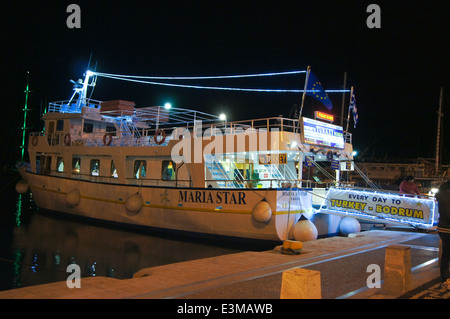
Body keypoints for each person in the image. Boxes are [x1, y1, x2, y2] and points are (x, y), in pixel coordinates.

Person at [436, 180, 450, 288]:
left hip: (442, 227)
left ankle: (444, 278)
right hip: (448, 227)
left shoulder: (442, 194)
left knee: (446, 253)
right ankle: (445, 278)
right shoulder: (447, 196)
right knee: (446, 253)